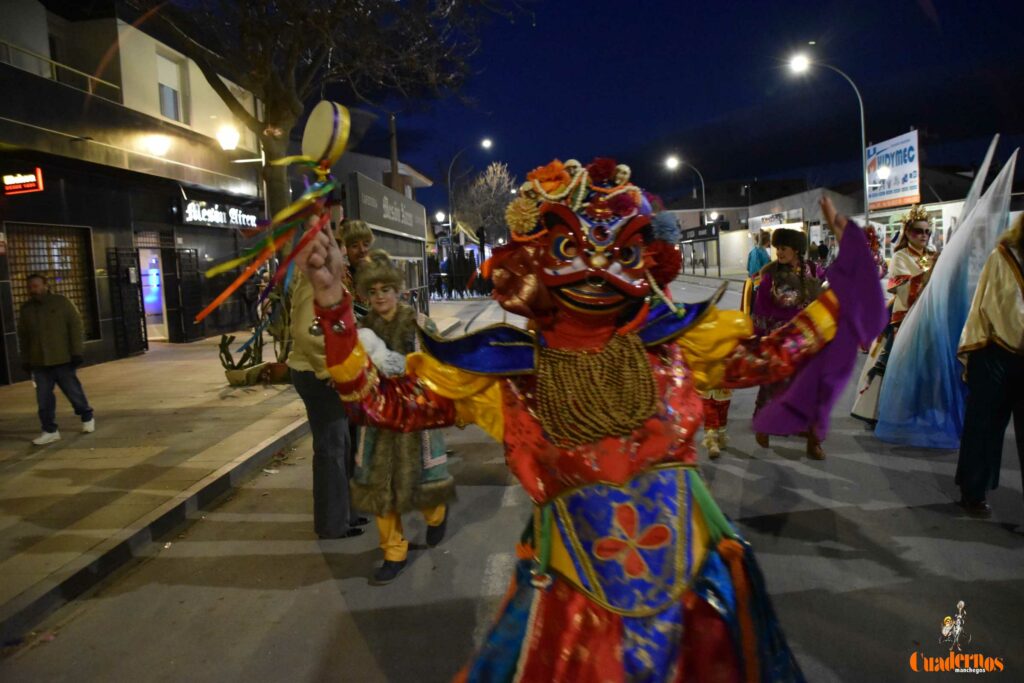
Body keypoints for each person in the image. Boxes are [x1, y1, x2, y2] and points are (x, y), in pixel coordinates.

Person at [298, 152, 886, 680]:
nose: (600, 265)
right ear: (533, 260)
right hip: (576, 619)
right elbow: (383, 404)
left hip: (694, 607)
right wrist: (333, 308)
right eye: (570, 249)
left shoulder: (672, 348)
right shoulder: (509, 372)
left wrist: (848, 279)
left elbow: (774, 355)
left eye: (624, 252)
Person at [352, 249, 454, 585]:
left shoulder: (420, 324)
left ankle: (437, 515)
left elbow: (440, 367)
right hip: (378, 422)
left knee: (423, 484)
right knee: (381, 490)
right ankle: (393, 552)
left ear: (398, 290)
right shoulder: (360, 331)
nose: (380, 297)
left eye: (386, 289)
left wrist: (413, 374)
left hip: (415, 419)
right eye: (373, 291)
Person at [288, 223, 369, 540]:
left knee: (342, 446)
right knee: (331, 450)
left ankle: (346, 514)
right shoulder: (312, 281)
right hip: (318, 376)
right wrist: (329, 371)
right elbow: (306, 334)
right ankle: (333, 524)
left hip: (331, 373)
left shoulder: (326, 277)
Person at [953, 215, 1024, 518]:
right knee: (984, 427)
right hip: (994, 351)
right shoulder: (1003, 257)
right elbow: (1003, 312)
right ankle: (973, 491)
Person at [851, 206, 937, 424]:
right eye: (918, 231)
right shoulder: (900, 256)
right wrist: (929, 275)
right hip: (904, 316)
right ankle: (884, 410)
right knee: (892, 362)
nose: (924, 236)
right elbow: (903, 286)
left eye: (927, 231)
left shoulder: (928, 255)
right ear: (907, 232)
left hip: (927, 315)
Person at [752, 228, 826, 458]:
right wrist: (759, 338)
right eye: (777, 248)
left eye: (783, 248)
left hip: (809, 338)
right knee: (773, 385)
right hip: (780, 339)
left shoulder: (814, 270)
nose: (779, 253)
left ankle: (813, 440)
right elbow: (760, 310)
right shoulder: (770, 275)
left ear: (796, 249)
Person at [18, 274, 95, 445]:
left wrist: (77, 352)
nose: (33, 290)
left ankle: (86, 416)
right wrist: (26, 359)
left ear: (45, 285)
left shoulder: (61, 302)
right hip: (39, 362)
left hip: (62, 358)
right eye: (30, 287)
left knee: (73, 392)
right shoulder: (26, 309)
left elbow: (75, 327)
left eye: (36, 286)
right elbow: (23, 337)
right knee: (43, 399)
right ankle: (49, 430)